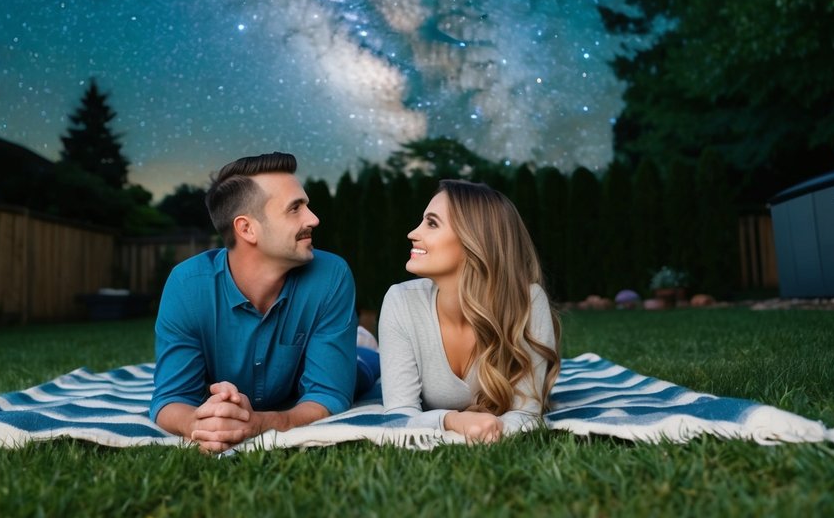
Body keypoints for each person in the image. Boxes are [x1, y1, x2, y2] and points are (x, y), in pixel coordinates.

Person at [150, 151, 378, 453]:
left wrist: (257, 424)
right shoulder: (187, 286)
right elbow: (170, 399)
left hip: (337, 367)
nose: (314, 218)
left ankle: (361, 342)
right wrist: (200, 423)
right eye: (295, 209)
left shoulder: (331, 275)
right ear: (246, 229)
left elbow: (328, 396)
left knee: (364, 368)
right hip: (240, 384)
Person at [378, 179, 561, 443]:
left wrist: (492, 431)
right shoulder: (401, 301)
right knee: (363, 369)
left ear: (473, 240)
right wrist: (452, 420)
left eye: (431, 223)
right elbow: (397, 415)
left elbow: (527, 413)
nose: (412, 233)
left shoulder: (528, 303)